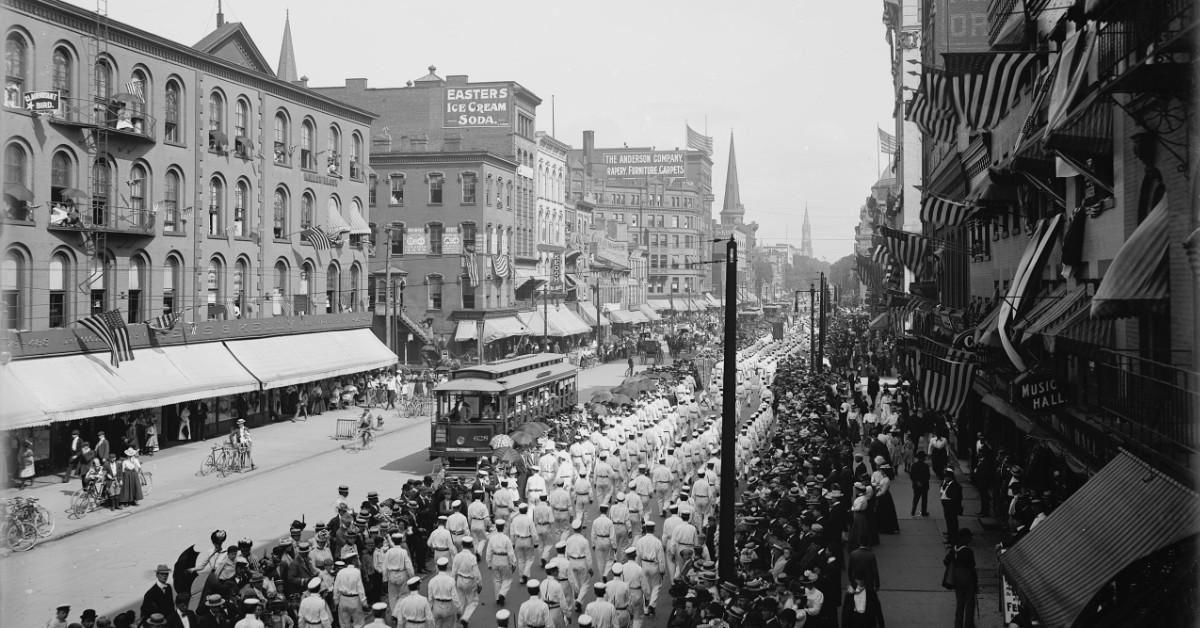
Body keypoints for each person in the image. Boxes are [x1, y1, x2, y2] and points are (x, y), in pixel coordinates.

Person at [947, 529, 977, 628]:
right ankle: (969, 625)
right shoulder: (967, 551)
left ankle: (958, 624)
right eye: (969, 537)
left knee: (960, 603)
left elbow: (946, 560)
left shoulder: (954, 549)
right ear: (965, 538)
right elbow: (972, 565)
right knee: (970, 603)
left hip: (957, 580)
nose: (971, 539)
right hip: (968, 581)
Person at [940, 468, 963, 542]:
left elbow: (954, 497)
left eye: (946, 477)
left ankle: (952, 538)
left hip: (951, 508)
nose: (945, 478)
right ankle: (950, 533)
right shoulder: (946, 483)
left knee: (952, 523)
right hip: (947, 507)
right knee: (949, 522)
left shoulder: (955, 486)